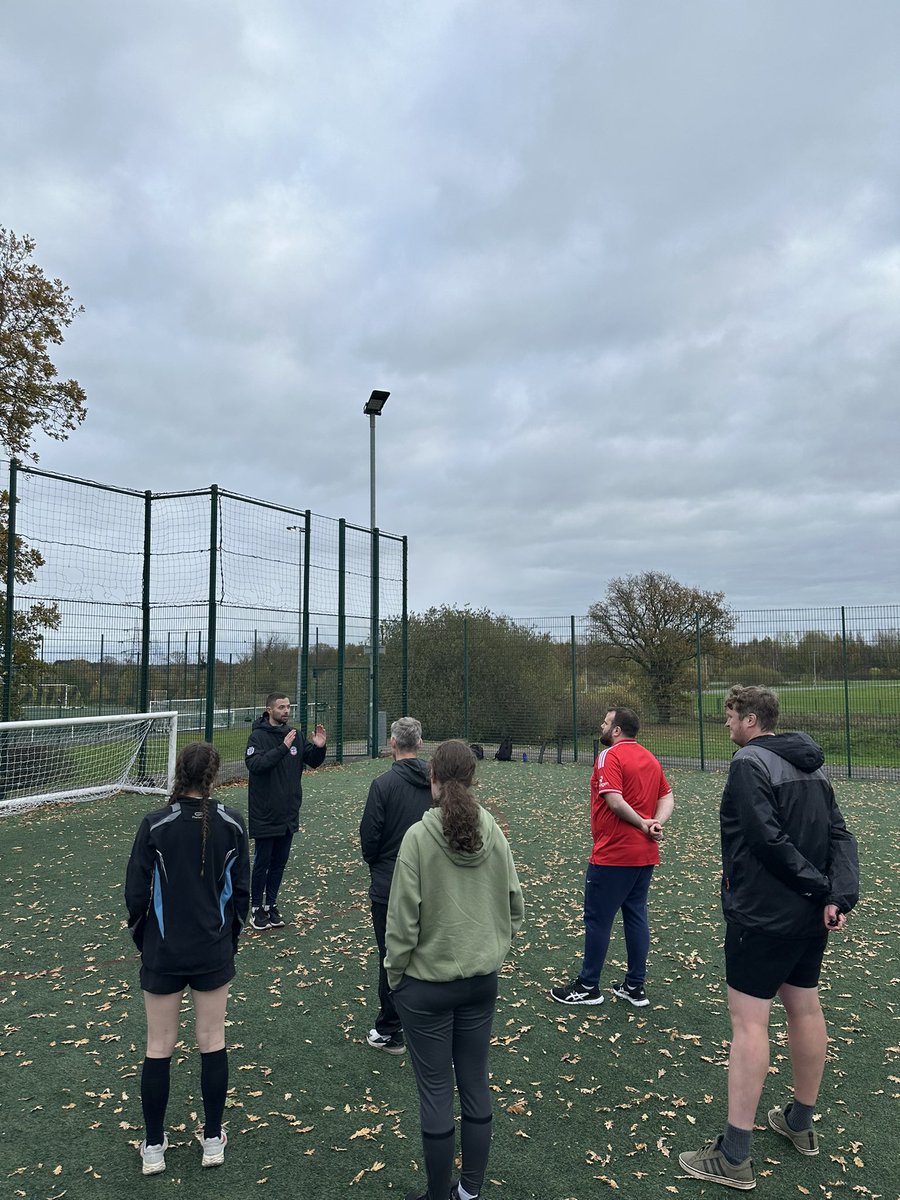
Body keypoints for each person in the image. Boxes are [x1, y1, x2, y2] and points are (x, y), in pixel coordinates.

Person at [679, 685, 859, 1191]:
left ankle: (734, 1155)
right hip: (807, 917)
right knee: (804, 1007)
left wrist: (829, 890)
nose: (726, 726)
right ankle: (798, 1124)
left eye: (730, 716)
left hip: (762, 916)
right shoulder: (814, 764)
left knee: (749, 1022)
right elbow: (841, 835)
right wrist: (834, 896)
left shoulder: (749, 764)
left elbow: (767, 839)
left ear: (752, 719)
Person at [385, 739, 524, 1200]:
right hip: (480, 985)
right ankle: (470, 1191)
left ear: (434, 780)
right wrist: (491, 950)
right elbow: (515, 906)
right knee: (475, 1083)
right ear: (473, 780)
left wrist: (395, 975)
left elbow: (401, 924)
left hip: (425, 989)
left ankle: (440, 1195)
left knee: (437, 1092)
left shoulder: (419, 838)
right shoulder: (493, 831)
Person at [124, 742, 250, 1175]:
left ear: (181, 773)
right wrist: (227, 941)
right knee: (211, 1040)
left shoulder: (156, 824)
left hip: (165, 953)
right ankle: (212, 1139)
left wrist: (148, 941)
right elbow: (242, 898)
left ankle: (155, 1146)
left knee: (159, 1046)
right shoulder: (232, 823)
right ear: (212, 777)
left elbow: (134, 897)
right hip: (212, 952)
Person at [550, 706, 674, 1007]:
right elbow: (668, 796)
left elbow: (615, 801)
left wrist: (645, 823)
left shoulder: (610, 755)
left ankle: (588, 986)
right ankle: (634, 986)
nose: (601, 726)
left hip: (614, 853)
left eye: (605, 723)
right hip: (644, 855)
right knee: (636, 914)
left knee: (597, 919)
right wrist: (656, 822)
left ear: (616, 730)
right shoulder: (649, 757)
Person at [359, 716, 432, 1055]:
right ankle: (427, 1026)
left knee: (391, 957)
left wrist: (380, 864)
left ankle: (390, 1029)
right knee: (426, 953)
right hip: (430, 882)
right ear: (418, 744)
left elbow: (369, 840)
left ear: (392, 743)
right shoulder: (436, 782)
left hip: (390, 885)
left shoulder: (383, 784)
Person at [245, 692, 326, 929]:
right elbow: (256, 765)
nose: (286, 711)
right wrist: (282, 747)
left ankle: (271, 905)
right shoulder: (257, 737)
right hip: (265, 813)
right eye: (281, 707)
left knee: (280, 862)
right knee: (263, 861)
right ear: (269, 710)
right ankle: (256, 908)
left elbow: (311, 760)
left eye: (288, 707)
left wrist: (319, 747)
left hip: (288, 813)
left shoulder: (295, 736)